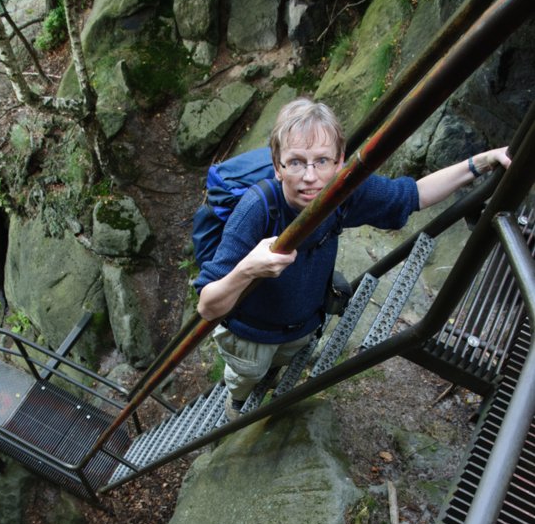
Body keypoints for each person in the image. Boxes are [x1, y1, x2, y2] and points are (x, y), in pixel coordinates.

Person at [194, 97, 511, 419]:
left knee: (282, 361)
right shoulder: (257, 208)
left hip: (304, 323)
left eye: (321, 161)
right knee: (246, 376)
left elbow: (413, 195)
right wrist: (248, 269)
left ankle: (271, 377)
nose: (309, 176)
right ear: (278, 167)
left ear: (339, 162)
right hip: (252, 335)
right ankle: (236, 404)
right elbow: (207, 305)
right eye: (296, 162)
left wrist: (481, 162)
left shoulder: (340, 193)